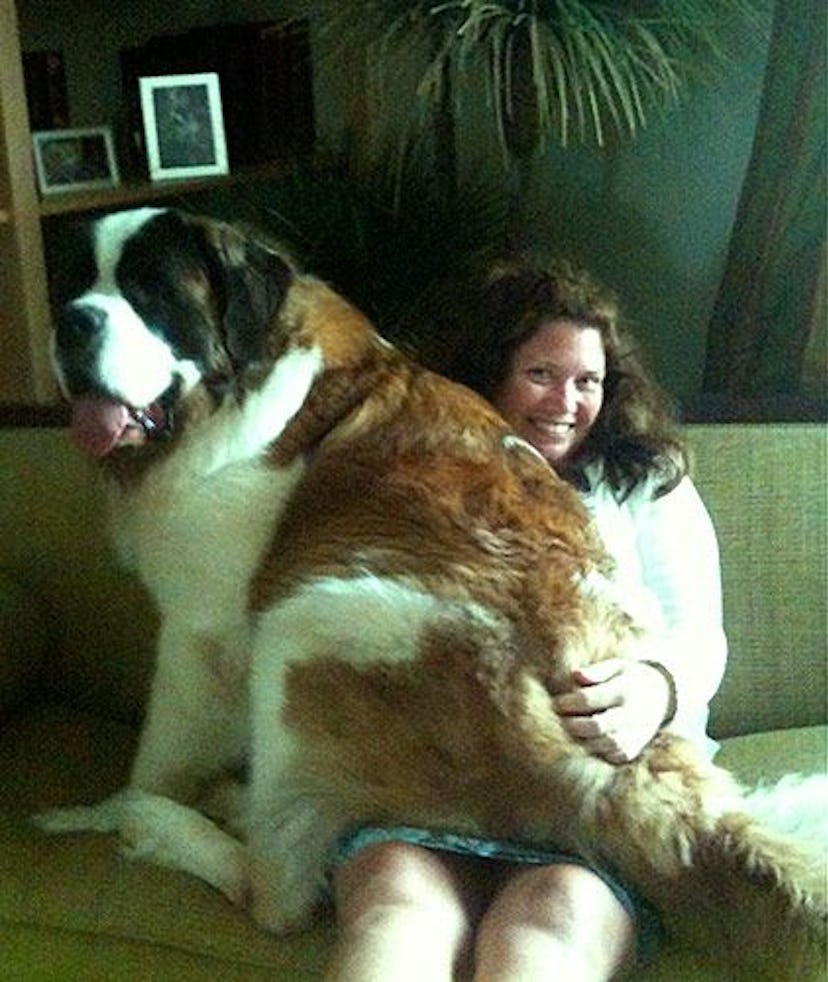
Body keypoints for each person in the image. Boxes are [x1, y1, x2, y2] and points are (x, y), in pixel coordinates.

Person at [325, 257, 728, 981]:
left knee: (547, 930)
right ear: (484, 374)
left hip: (593, 796)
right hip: (431, 787)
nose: (566, 403)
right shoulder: (410, 469)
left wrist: (655, 690)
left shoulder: (642, 481)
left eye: (588, 382)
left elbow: (701, 635)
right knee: (398, 912)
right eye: (541, 374)